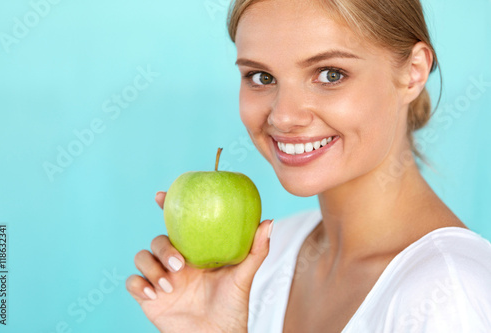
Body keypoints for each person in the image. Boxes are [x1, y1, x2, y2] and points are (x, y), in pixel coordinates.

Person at [126, 0, 491, 331]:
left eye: (330, 74)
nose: (284, 116)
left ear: (413, 71)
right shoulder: (266, 257)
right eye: (261, 77)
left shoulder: (448, 294)